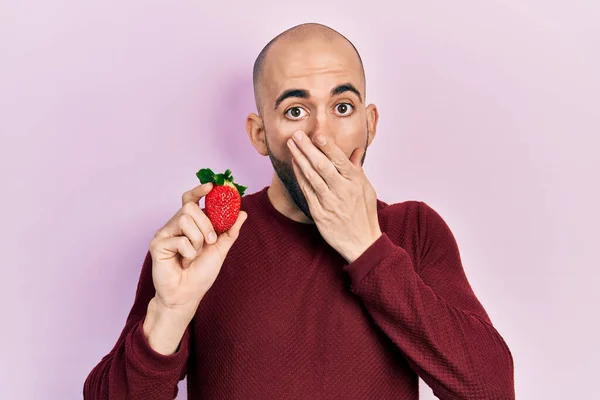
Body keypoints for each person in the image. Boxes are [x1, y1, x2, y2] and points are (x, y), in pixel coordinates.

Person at [84, 23, 515, 399]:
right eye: (295, 111)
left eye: (342, 107)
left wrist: (366, 247)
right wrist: (171, 311)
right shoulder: (206, 241)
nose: (321, 135)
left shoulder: (414, 230)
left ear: (370, 123)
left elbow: (491, 389)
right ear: (259, 135)